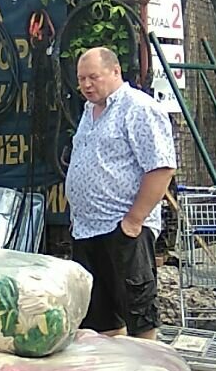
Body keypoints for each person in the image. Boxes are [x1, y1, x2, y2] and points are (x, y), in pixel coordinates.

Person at [65, 47, 176, 340]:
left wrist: (134, 221)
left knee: (138, 310)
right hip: (87, 229)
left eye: (93, 77)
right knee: (100, 315)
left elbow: (161, 168)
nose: (86, 85)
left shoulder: (138, 108)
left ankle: (145, 366)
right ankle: (113, 367)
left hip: (122, 228)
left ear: (115, 71)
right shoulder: (89, 111)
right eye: (81, 79)